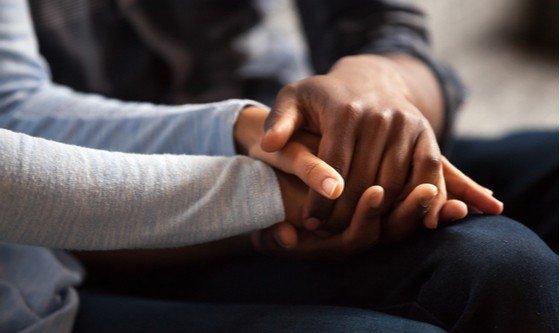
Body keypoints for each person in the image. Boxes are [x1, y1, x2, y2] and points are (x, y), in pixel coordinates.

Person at [0, 1, 556, 332]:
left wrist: (380, 87)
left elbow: (385, 29)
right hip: (102, 216)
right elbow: (16, 116)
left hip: (293, 144)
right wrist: (275, 189)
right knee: (496, 264)